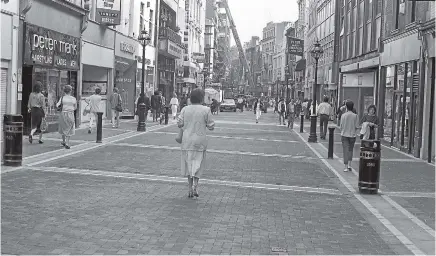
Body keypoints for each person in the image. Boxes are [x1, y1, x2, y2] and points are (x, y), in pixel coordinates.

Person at [177, 88, 215, 198]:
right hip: (200, 141)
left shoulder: (185, 109)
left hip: (187, 140)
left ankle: (189, 188)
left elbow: (179, 123)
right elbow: (211, 125)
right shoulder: (206, 110)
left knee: (189, 163)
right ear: (201, 98)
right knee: (199, 163)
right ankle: (196, 185)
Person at [340, 100, 361, 172]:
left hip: (344, 134)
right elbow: (357, 126)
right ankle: (349, 164)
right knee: (350, 150)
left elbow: (341, 126)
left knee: (345, 150)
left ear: (346, 107)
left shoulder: (343, 115)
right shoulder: (355, 116)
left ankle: (345, 166)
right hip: (352, 135)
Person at [57, 85, 77, 149]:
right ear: (70, 91)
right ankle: (67, 143)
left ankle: (63, 141)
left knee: (63, 127)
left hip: (63, 114)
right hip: (71, 114)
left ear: (64, 91)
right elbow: (75, 107)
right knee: (69, 127)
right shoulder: (73, 99)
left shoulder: (62, 98)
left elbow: (57, 105)